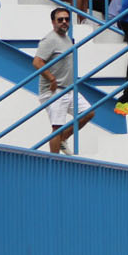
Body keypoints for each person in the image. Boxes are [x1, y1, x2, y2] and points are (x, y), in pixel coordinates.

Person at [34, 8, 96, 154]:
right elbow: (37, 62)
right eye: (60, 19)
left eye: (66, 19)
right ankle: (54, 163)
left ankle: (63, 139)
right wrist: (51, 78)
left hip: (68, 88)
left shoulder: (67, 38)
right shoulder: (49, 40)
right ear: (53, 22)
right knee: (56, 127)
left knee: (88, 113)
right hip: (54, 91)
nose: (64, 22)